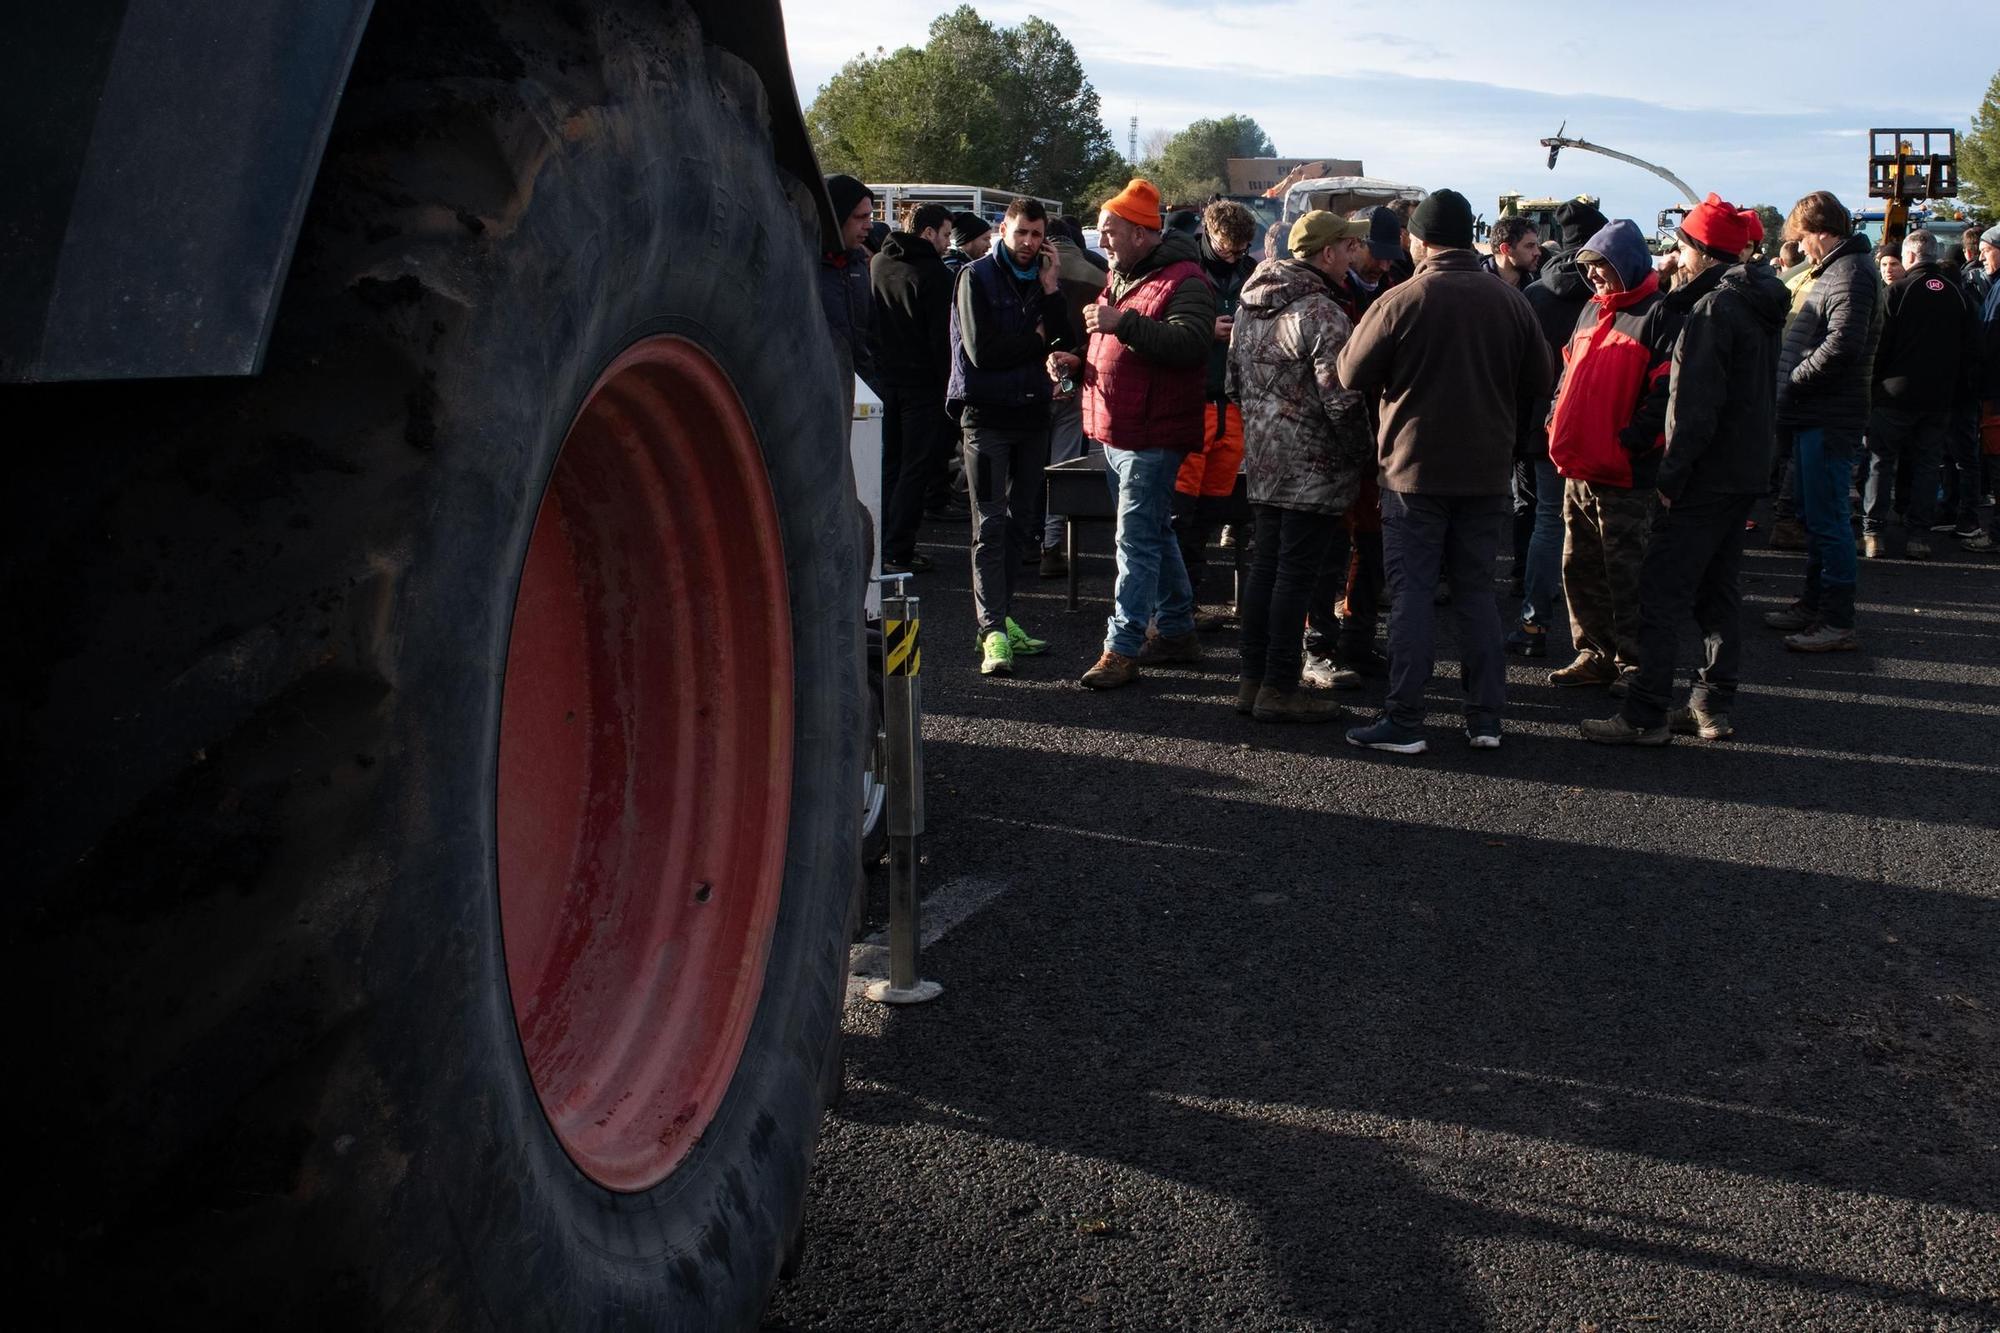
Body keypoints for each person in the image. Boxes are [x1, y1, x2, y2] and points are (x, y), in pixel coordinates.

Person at [1336, 188, 1552, 754]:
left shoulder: (1402, 299)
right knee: (1477, 593)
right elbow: (1541, 380)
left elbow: (1350, 373)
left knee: (1411, 594)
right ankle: (1485, 719)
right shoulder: (1510, 301)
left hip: (1412, 472)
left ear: (1421, 241)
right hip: (1486, 470)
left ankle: (1405, 720)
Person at [1581, 197, 1787, 745]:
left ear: (1701, 250)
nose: (1674, 255)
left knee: (1661, 592)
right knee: (1718, 594)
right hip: (1742, 472)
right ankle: (1710, 703)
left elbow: (1695, 408)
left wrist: (1672, 478)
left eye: (1681, 246)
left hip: (1703, 477)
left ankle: (1645, 713)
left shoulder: (1714, 311)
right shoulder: (1758, 301)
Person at [1226, 211, 1374, 722]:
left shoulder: (1249, 307)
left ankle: (1252, 682)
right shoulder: (1323, 314)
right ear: (1327, 254)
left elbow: (1233, 384)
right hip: (1314, 465)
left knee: (1265, 571)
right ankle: (1280, 686)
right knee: (1295, 577)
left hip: (1264, 461)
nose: (1354, 254)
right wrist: (1364, 454)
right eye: (1348, 247)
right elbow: (1342, 402)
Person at [1071, 179, 1217, 690]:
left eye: (1109, 231)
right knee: (1155, 532)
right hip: (1121, 429)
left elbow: (1191, 344)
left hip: (1151, 436)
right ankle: (1176, 631)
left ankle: (1123, 647)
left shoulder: (1185, 281)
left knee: (1134, 542)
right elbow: (1120, 346)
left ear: (1139, 233)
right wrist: (1075, 362)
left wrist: (1121, 324)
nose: (1102, 239)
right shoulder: (1124, 275)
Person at [1544, 219, 1682, 695]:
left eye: (1603, 267)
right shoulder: (1589, 310)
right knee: (1578, 566)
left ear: (1627, 264)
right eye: (1591, 268)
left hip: (1626, 473)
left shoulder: (1660, 314)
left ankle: (1634, 665)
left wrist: (1632, 441)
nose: (1597, 277)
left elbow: (1665, 392)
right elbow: (1567, 371)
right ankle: (1595, 654)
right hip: (1578, 465)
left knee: (1627, 572)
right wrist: (1553, 417)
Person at [947, 198, 1067, 675]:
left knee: (1022, 524)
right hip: (987, 417)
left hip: (1032, 413)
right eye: (1021, 233)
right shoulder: (974, 277)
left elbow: (1061, 341)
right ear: (1003, 229)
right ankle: (991, 629)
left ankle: (1003, 616)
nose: (1029, 244)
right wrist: (1036, 341)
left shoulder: (1041, 280)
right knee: (990, 524)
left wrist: (1052, 289)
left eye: (1037, 235)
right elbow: (981, 353)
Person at [1763, 191, 1883, 652]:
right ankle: (1814, 605)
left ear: (1822, 232)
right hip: (1817, 410)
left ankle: (1836, 619)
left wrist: (1793, 378)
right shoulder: (1840, 269)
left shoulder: (1850, 272)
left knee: (1829, 518)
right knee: (1817, 516)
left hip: (1829, 413)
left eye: (1804, 238)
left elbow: (1842, 345)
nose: (1803, 247)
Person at [1509, 199, 1606, 659]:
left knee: (1548, 521)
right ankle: (1597, 642)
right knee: (1597, 526)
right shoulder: (1607, 291)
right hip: (1598, 424)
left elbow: (1518, 366)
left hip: (1542, 423)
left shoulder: (1535, 294)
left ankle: (1534, 624)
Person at [1862, 228, 1977, 561]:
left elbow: (1879, 347)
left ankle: (1874, 533)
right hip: (1939, 398)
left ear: (1910, 256)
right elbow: (1971, 350)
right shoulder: (1958, 295)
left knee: (1880, 462)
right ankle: (1918, 536)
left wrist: (1873, 387)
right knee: (1928, 465)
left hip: (1894, 394)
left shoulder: (1896, 292)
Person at [1173, 200, 1259, 610]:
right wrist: (1204, 332)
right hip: (1192, 401)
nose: (1234, 256)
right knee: (1180, 511)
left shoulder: (1247, 272)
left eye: (1242, 249)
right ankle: (1178, 602)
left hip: (1231, 404)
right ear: (1207, 234)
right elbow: (1156, 324)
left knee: (1210, 510)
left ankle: (1189, 595)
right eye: (1227, 248)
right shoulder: (1180, 269)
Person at [870, 203, 957, 576]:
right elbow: (943, 341)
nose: (948, 242)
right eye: (946, 234)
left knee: (888, 466)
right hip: (922, 386)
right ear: (927, 233)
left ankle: (880, 543)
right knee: (915, 468)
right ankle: (898, 548)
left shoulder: (877, 263)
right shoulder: (935, 275)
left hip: (883, 380)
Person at [1038, 218, 1107, 576]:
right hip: (1075, 379)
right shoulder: (1098, 275)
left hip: (1031, 383)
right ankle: (1051, 548)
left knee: (1022, 470)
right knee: (1062, 467)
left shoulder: (1028, 269)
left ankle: (1021, 544)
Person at [820, 175, 881, 425]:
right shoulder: (804, 266)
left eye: (870, 216)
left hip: (863, 393)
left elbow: (872, 330)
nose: (869, 226)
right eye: (860, 217)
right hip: (821, 396)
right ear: (837, 216)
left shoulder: (859, 267)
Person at [1482, 215, 1542, 288]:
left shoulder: (1538, 288)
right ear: (1505, 249)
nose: (1538, 252)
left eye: (1537, 246)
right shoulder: (1477, 285)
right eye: (1530, 246)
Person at [944, 211, 992, 277]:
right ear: (967, 241)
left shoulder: (970, 266)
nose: (989, 245)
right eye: (985, 239)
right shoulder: (955, 270)